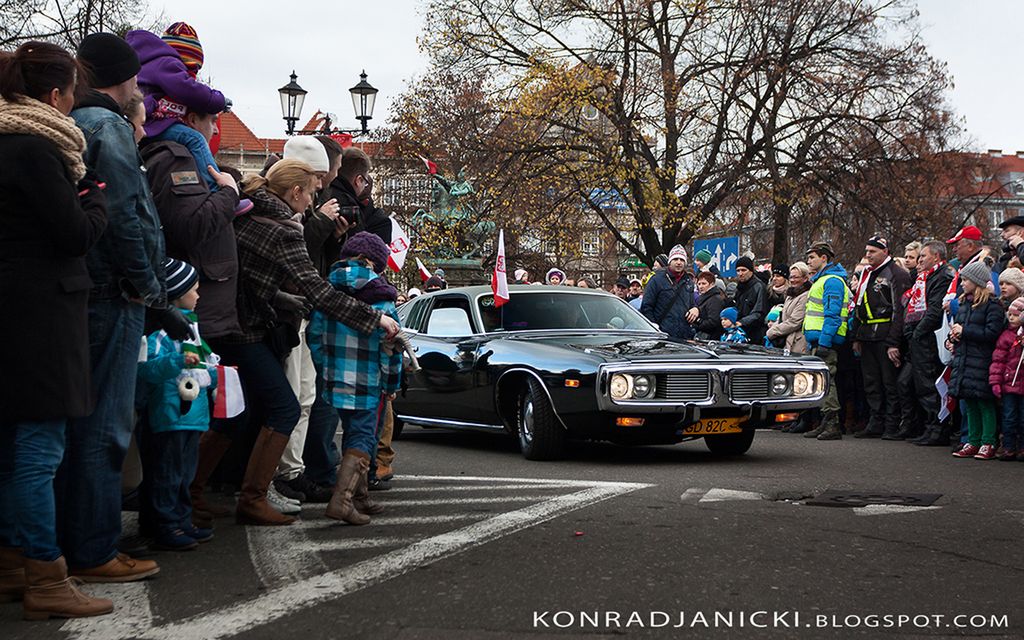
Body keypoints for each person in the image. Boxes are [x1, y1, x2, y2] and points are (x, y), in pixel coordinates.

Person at [193, 159, 395, 527]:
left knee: (237, 412)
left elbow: (250, 279)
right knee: (285, 408)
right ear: (296, 192)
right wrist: (373, 318)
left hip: (226, 325)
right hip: (248, 332)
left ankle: (192, 493)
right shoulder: (283, 231)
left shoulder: (249, 215)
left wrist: (286, 301)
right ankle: (251, 497)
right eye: (313, 193)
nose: (315, 201)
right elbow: (319, 291)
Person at [0, 40, 114, 619]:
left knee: (10, 445)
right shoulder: (36, 151)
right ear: (53, 95)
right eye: (71, 93)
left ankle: (12, 563)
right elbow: (73, 235)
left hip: (12, 314)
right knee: (39, 448)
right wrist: (95, 198)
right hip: (41, 316)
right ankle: (45, 575)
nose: (73, 106)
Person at [63, 32, 170, 583]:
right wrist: (150, 286)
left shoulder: (74, 122)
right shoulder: (108, 127)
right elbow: (128, 215)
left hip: (83, 289)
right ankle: (95, 548)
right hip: (115, 293)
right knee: (105, 425)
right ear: (125, 79)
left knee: (74, 423)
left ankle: (69, 543)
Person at [308, 232, 402, 525]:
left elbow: (315, 338)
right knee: (364, 435)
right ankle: (343, 500)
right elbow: (392, 349)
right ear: (376, 265)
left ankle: (359, 497)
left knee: (351, 434)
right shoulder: (383, 301)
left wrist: (326, 369)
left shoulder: (327, 294)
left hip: (334, 377)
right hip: (368, 380)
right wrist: (391, 385)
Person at [125, 25, 251, 215]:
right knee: (195, 139)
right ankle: (216, 189)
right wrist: (217, 99)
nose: (192, 75)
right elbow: (188, 89)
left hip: (149, 121)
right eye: (193, 68)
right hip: (153, 122)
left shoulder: (152, 66)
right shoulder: (167, 64)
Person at [136, 259, 217, 550]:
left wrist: (217, 377)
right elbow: (147, 370)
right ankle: (164, 524)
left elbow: (206, 365)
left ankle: (181, 520)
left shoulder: (194, 331)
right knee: (166, 472)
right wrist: (177, 361)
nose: (198, 295)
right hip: (169, 415)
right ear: (177, 294)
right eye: (194, 290)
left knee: (184, 473)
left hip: (193, 416)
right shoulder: (160, 334)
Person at [849, 236, 912, 439]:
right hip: (867, 335)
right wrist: (856, 337)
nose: (868, 255)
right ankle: (875, 421)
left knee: (889, 382)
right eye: (867, 251)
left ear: (885, 251)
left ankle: (892, 423)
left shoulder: (897, 274)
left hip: (885, 335)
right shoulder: (867, 274)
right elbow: (859, 305)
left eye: (873, 251)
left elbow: (899, 311)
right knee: (871, 382)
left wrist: (894, 342)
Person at [948, 261, 1005, 460]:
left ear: (976, 281)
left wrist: (965, 332)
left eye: (965, 280)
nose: (962, 283)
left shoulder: (992, 306)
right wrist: (953, 337)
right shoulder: (964, 304)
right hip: (965, 359)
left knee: (984, 402)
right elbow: (960, 327)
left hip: (982, 360)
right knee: (969, 402)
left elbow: (992, 333)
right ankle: (972, 440)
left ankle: (988, 441)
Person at [903, 241, 956, 446]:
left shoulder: (941, 277)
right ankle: (930, 426)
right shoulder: (922, 277)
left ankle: (939, 428)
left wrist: (917, 332)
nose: (919, 260)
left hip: (928, 339)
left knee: (929, 384)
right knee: (919, 384)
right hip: (918, 337)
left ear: (936, 256)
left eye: (923, 256)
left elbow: (934, 310)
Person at [802, 242, 850, 441]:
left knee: (827, 380)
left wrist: (824, 341)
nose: (808, 261)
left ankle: (832, 423)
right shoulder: (821, 280)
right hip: (818, 339)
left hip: (825, 340)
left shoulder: (832, 281)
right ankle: (824, 422)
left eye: (812, 257)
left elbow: (832, 315)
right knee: (819, 382)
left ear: (824, 258)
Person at [989, 297, 1024, 461]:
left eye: (1015, 315)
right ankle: (1008, 447)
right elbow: (998, 361)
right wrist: (995, 381)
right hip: (1009, 384)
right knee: (1009, 417)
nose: (1011, 318)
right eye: (1009, 314)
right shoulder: (1006, 336)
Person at [641, 245, 695, 340]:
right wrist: (654, 328)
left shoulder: (688, 281)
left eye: (682, 260)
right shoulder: (656, 279)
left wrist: (696, 309)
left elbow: (691, 304)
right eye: (675, 259)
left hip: (684, 337)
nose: (679, 263)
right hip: (663, 336)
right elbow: (646, 307)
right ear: (670, 261)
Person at [766, 262, 811, 355]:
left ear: (805, 278)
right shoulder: (790, 295)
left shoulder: (805, 296)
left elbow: (795, 321)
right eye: (791, 277)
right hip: (787, 340)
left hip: (798, 342)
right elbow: (783, 316)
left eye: (796, 277)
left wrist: (773, 331)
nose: (793, 280)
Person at [732, 256, 768, 344]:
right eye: (738, 270)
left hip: (754, 334)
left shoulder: (759, 287)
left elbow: (759, 312)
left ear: (751, 271)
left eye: (743, 270)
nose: (740, 273)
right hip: (740, 332)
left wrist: (741, 322)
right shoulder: (739, 288)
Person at [688, 271, 725, 340]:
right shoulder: (703, 298)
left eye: (704, 283)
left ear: (712, 284)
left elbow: (713, 322)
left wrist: (697, 321)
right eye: (699, 284)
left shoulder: (715, 300)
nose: (701, 286)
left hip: (711, 338)